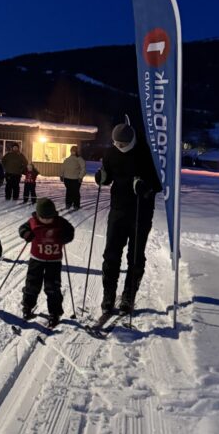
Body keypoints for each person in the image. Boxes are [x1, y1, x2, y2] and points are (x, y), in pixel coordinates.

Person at [95, 123, 161, 316]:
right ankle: (109, 295)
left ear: (131, 140)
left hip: (141, 211)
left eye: (123, 144)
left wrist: (145, 187)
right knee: (111, 254)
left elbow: (159, 184)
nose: (120, 147)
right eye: (116, 143)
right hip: (118, 209)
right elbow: (108, 177)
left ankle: (128, 296)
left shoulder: (146, 153)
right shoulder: (111, 153)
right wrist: (101, 177)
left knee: (135, 256)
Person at [18, 197, 75, 326]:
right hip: (36, 259)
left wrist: (65, 237)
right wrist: (26, 234)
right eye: (44, 218)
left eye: (50, 218)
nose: (47, 220)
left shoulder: (60, 222)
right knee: (32, 283)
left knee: (53, 287)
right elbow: (22, 229)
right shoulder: (32, 221)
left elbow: (70, 231)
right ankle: (28, 305)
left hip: (54, 261)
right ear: (38, 215)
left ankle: (55, 312)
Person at [61, 145, 87, 210]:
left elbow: (62, 168)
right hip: (74, 179)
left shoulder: (68, 159)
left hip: (70, 179)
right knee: (74, 192)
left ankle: (70, 204)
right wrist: (80, 177)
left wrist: (61, 175)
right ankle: (74, 205)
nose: (73, 152)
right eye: (73, 150)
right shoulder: (78, 159)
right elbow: (83, 169)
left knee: (70, 191)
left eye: (73, 150)